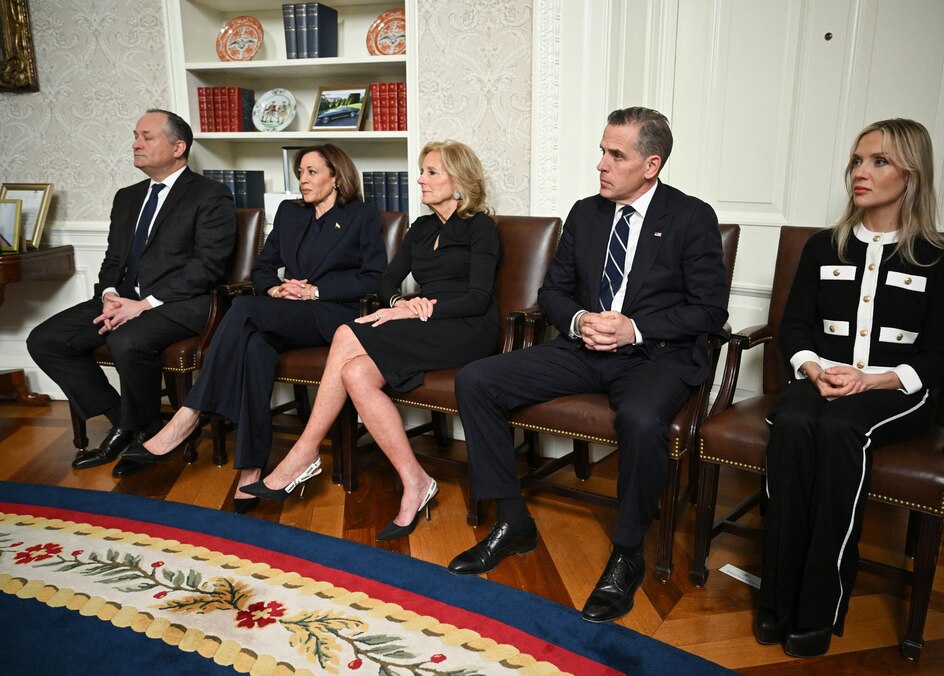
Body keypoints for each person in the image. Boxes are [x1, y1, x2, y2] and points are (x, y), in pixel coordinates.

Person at [448, 107, 728, 623]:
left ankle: (626, 555)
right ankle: (513, 522)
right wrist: (578, 321)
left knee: (643, 421)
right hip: (583, 348)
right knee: (478, 379)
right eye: (602, 150)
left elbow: (710, 311)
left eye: (615, 155)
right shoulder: (586, 213)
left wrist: (633, 328)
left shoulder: (691, 217)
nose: (601, 163)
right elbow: (550, 292)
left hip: (653, 358)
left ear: (651, 164)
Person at [754, 119, 944, 658]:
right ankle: (775, 602)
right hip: (823, 378)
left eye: (878, 162)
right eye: (856, 161)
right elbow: (795, 327)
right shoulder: (825, 246)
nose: (860, 173)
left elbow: (942, 355)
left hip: (896, 392)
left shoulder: (942, 259)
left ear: (911, 175)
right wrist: (814, 369)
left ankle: (819, 609)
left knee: (845, 429)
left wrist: (872, 379)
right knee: (794, 421)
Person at [243, 141, 500, 540]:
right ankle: (416, 480)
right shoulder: (422, 228)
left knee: (347, 332)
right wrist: (400, 302)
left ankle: (304, 452)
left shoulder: (480, 226)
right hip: (425, 322)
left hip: (467, 327)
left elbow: (478, 298)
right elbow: (384, 281)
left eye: (432, 172)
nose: (420, 179)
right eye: (423, 170)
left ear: (460, 181)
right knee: (357, 374)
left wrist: (415, 309)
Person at [110, 145, 388, 511]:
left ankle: (189, 414)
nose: (302, 180)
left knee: (243, 309)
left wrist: (313, 291)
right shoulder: (290, 213)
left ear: (337, 177)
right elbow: (261, 268)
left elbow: (375, 279)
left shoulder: (362, 216)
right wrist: (275, 288)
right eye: (300, 172)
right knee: (255, 347)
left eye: (311, 172)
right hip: (282, 311)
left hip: (333, 317)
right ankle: (251, 468)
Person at [27, 109, 236, 469]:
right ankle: (131, 423)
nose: (135, 144)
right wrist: (109, 294)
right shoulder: (127, 197)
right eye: (135, 135)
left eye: (147, 136)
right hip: (121, 299)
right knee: (45, 339)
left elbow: (207, 266)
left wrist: (144, 305)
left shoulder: (210, 195)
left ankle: (139, 432)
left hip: (180, 303)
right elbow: (113, 258)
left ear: (178, 147)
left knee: (129, 339)